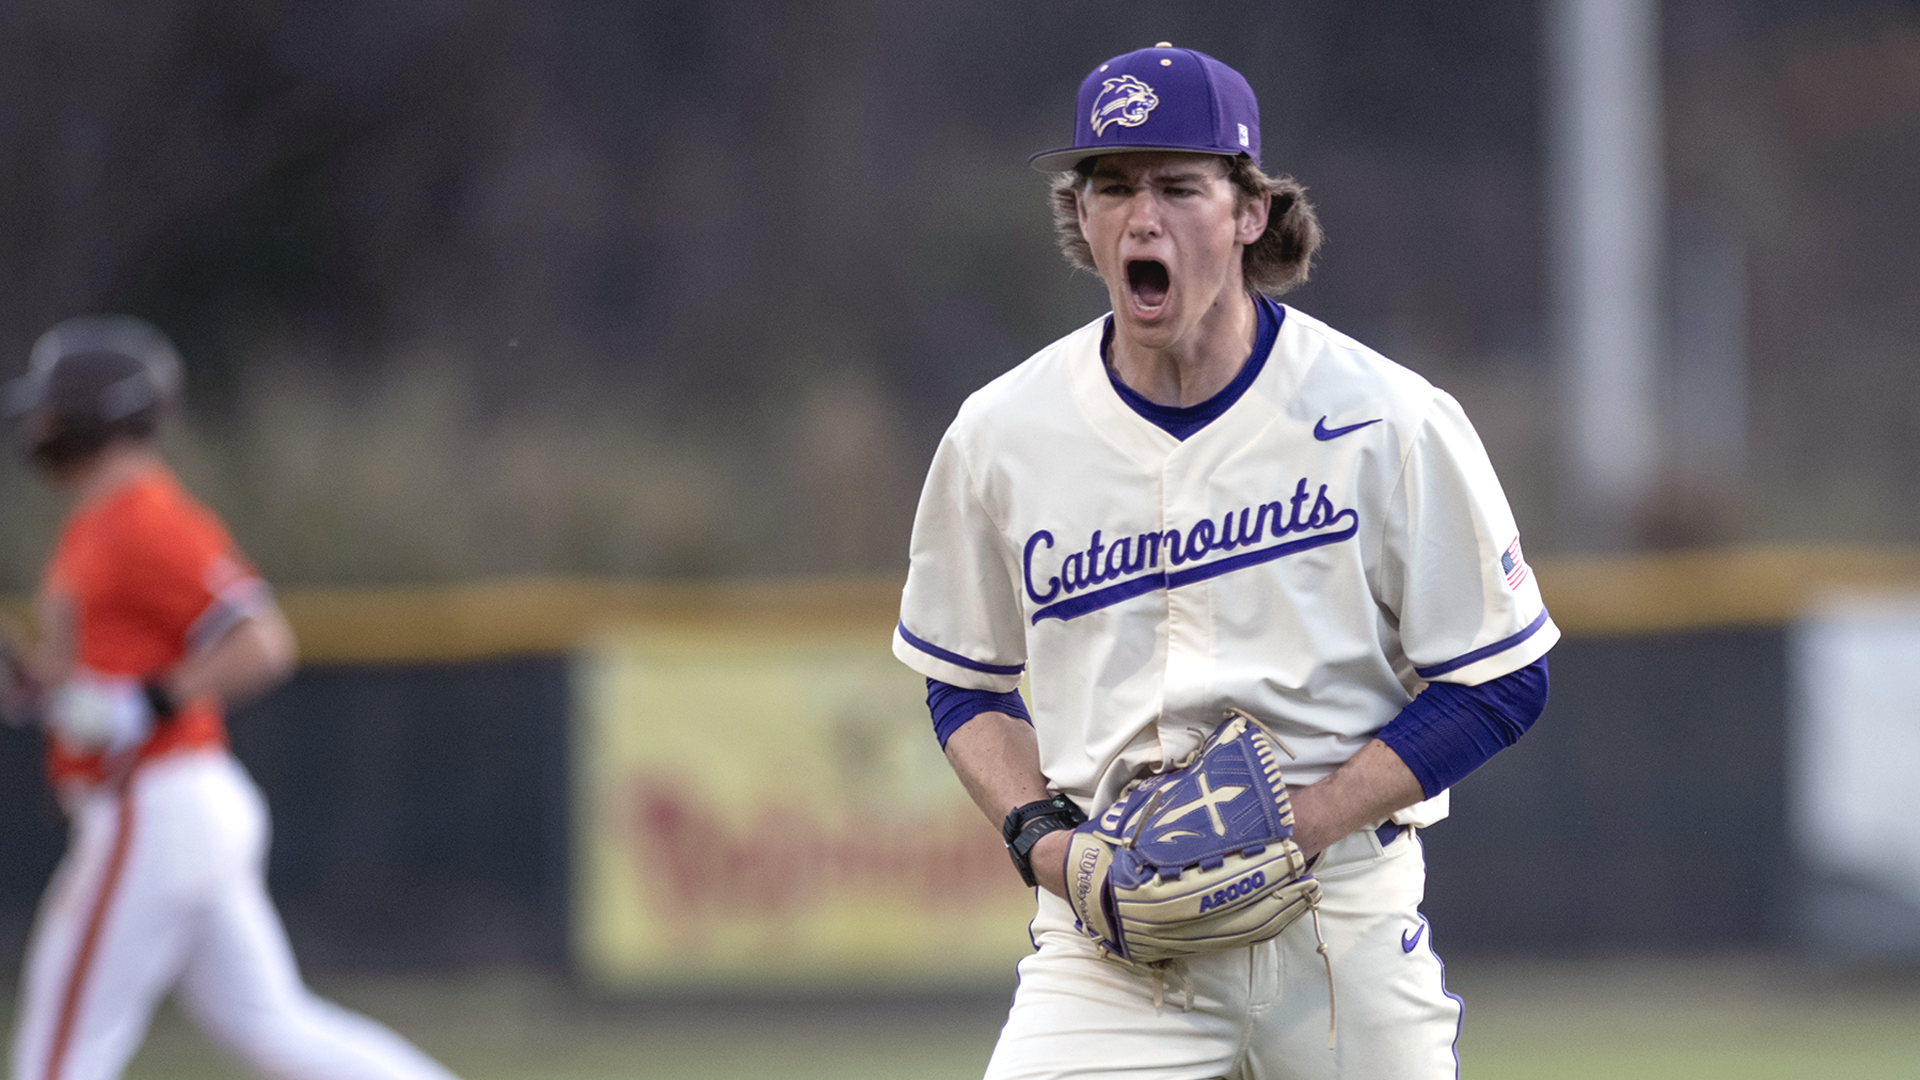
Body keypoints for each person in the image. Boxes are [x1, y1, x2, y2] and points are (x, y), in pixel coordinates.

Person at [892, 45, 1556, 1079]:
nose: (1140, 218)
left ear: (1251, 210)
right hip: (1114, 945)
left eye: (1177, 186)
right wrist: (1043, 842)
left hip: (1335, 922)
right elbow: (963, 681)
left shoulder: (1387, 417)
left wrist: (1299, 824)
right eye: (1111, 186)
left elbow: (1502, 678)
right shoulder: (1001, 434)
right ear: (1080, 217)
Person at [2, 315, 462, 1080]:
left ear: (94, 414)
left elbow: (262, 641)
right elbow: (98, 681)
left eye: (51, 408)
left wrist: (148, 703)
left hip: (154, 805)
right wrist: (40, 687)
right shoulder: (95, 524)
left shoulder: (145, 519)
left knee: (57, 1061)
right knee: (274, 1028)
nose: (38, 427)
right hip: (180, 807)